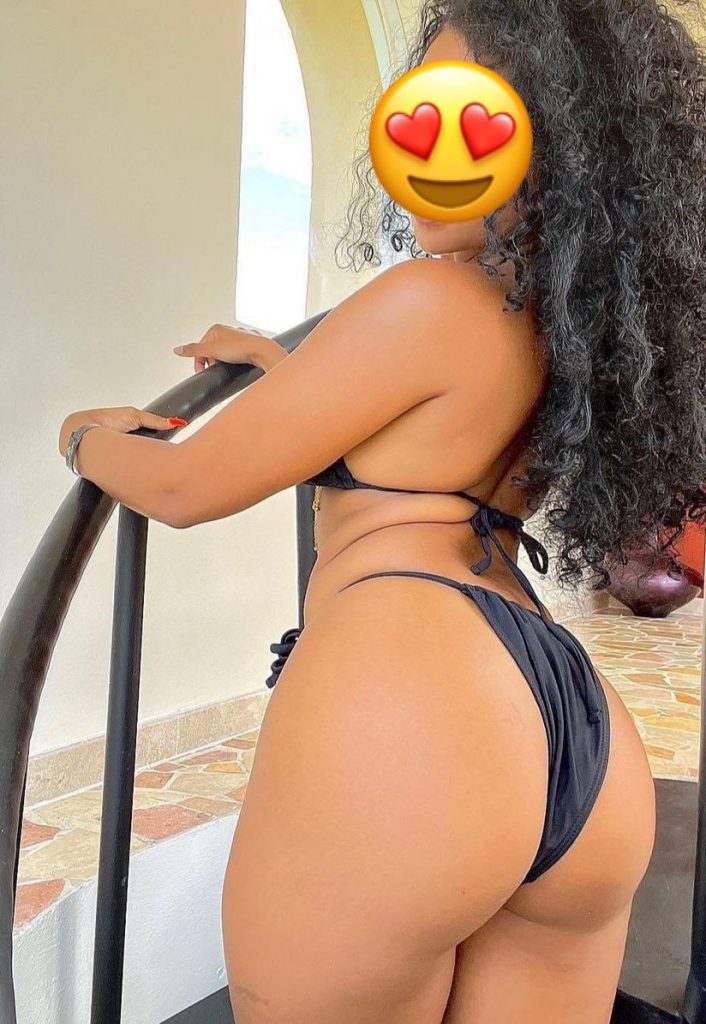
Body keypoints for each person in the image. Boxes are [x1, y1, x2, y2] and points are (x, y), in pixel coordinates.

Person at [58, 1, 706, 1020]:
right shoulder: (569, 332)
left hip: (410, 707)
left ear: (558, 138)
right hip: (571, 732)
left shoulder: (430, 299)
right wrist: (282, 363)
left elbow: (184, 486)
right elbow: (415, 428)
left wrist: (84, 441)